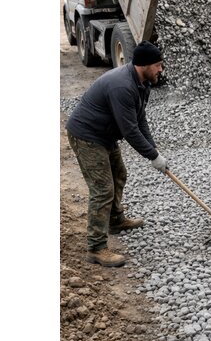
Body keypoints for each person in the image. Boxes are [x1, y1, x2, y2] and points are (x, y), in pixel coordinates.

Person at [66, 41, 169, 267]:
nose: (161, 69)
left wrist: (155, 152)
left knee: (119, 174)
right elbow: (129, 130)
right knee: (102, 189)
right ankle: (96, 248)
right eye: (158, 65)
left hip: (105, 135)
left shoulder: (143, 83)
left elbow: (140, 119)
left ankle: (114, 220)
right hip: (87, 135)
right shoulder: (122, 86)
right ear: (144, 65)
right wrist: (151, 156)